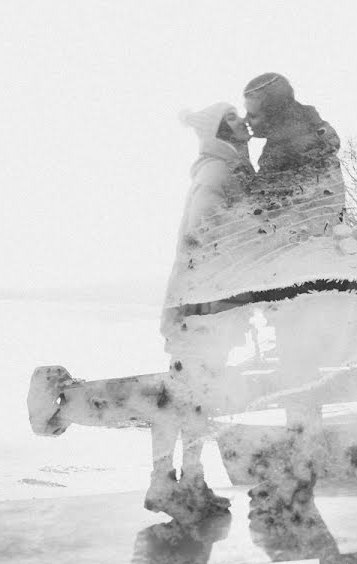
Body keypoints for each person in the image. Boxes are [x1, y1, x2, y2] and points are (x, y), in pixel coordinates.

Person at [145, 102, 253, 522]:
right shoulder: (217, 172)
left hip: (210, 307)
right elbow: (202, 235)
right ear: (220, 133)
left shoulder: (227, 169)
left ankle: (188, 482)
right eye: (234, 120)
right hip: (203, 310)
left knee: (193, 400)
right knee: (185, 400)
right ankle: (164, 484)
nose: (243, 122)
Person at [243, 72, 340, 174]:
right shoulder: (309, 139)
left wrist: (238, 149)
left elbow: (260, 187)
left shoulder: (286, 154)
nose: (245, 120)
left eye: (253, 115)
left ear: (275, 117)